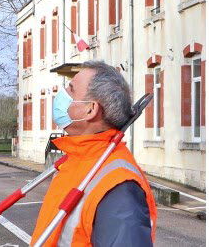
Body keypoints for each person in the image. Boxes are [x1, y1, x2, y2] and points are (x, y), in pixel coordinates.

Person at [30, 60, 157, 247]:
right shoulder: (78, 160)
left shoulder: (119, 188)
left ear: (90, 109)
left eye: (71, 90)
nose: (62, 94)